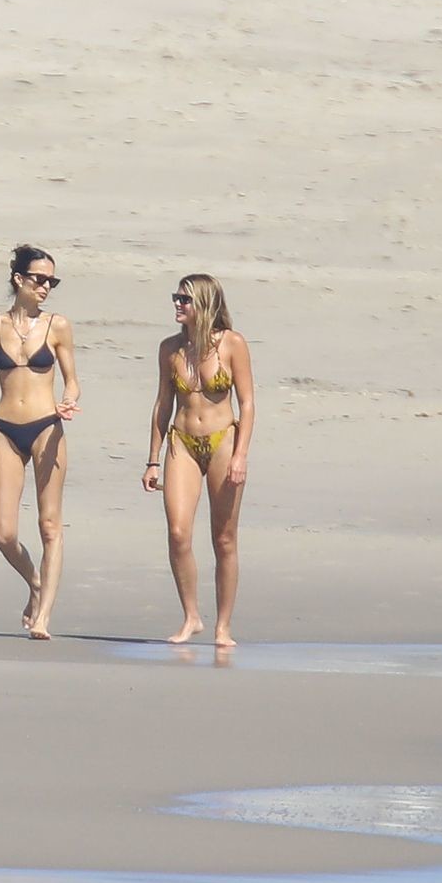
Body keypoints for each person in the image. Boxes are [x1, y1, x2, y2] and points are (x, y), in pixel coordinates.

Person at [0, 246, 80, 640]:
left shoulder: (57, 326)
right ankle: (36, 582)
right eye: (39, 279)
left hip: (46, 426)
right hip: (6, 428)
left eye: (51, 281)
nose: (45, 287)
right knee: (4, 534)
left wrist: (69, 399)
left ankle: (43, 617)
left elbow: (72, 381)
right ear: (19, 279)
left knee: (49, 525)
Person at [141, 274, 255, 647]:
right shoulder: (170, 349)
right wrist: (153, 459)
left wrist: (240, 455)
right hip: (182, 442)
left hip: (224, 441)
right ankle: (191, 616)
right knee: (178, 533)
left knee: (224, 538)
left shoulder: (232, 344)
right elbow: (163, 403)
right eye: (176, 298)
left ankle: (223, 626)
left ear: (205, 304)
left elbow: (247, 403)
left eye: (185, 300)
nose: (178, 304)